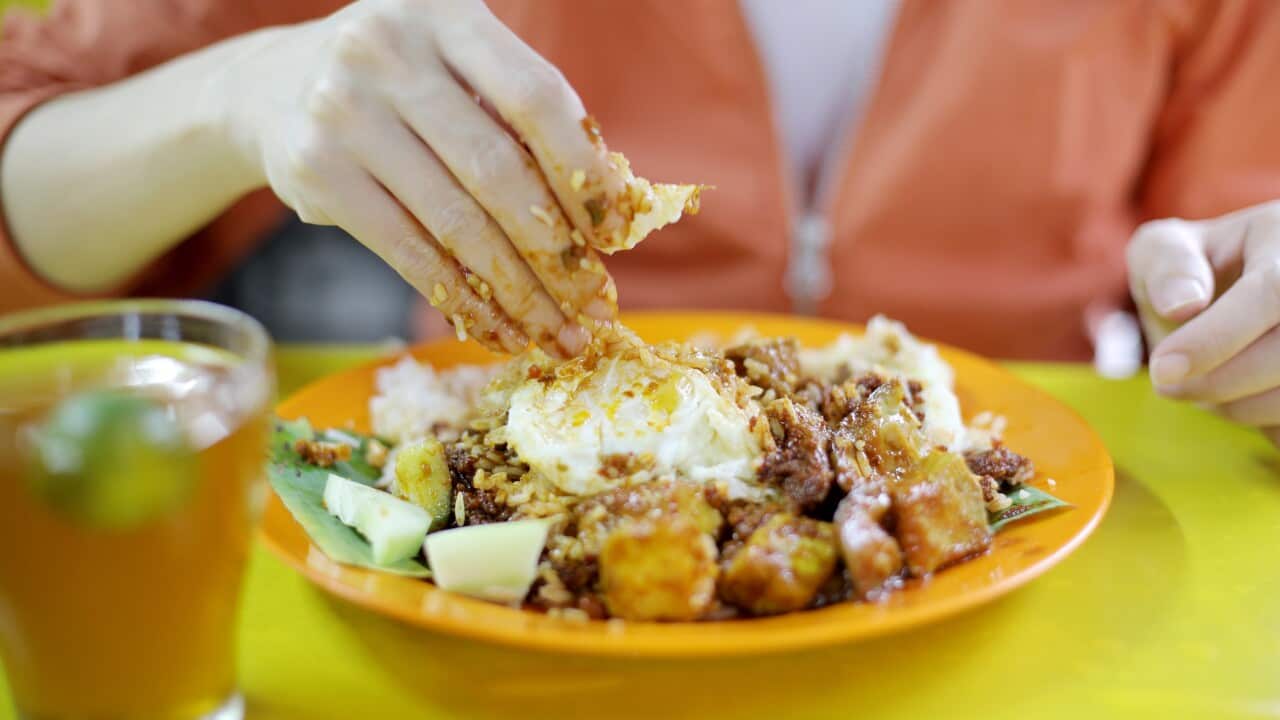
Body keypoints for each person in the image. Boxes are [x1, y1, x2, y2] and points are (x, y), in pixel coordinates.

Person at [2, 0, 1279, 441]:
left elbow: (1234, 240)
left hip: (1042, 571)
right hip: (495, 551)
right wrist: (238, 95)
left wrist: (1246, 315)